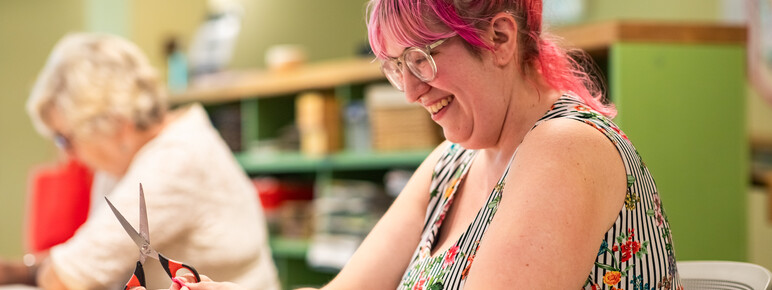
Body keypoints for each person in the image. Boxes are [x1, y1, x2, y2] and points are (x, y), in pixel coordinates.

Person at [173, 0, 683, 289]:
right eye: (396, 68)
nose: (412, 91)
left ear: (501, 39)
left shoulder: (566, 147)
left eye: (421, 58)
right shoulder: (451, 163)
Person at [0, 33, 280, 290]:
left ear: (111, 122)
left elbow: (63, 277)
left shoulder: (174, 161)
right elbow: (79, 257)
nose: (67, 154)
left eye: (64, 139)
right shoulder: (133, 156)